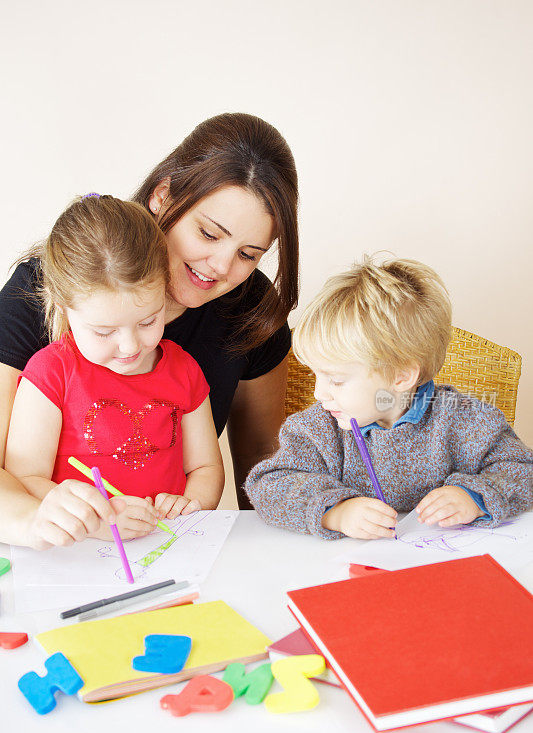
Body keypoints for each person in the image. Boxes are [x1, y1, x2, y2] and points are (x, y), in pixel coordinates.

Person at [0, 113, 298, 548]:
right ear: (163, 197)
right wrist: (40, 521)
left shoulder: (251, 309)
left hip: (167, 551)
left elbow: (260, 472)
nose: (221, 268)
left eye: (249, 254)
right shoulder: (41, 290)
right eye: (208, 233)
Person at [245, 257, 533, 539]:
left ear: (401, 377)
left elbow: (523, 470)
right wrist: (336, 512)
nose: (319, 393)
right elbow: (267, 487)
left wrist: (472, 497)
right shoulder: (316, 429)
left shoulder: (466, 420)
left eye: (336, 380)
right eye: (315, 375)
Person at [5, 195, 224, 547]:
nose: (130, 346)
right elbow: (25, 477)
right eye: (104, 332)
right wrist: (96, 520)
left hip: (167, 546)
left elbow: (206, 469)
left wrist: (191, 503)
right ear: (64, 308)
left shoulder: (184, 370)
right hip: (79, 551)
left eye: (149, 320)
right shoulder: (50, 373)